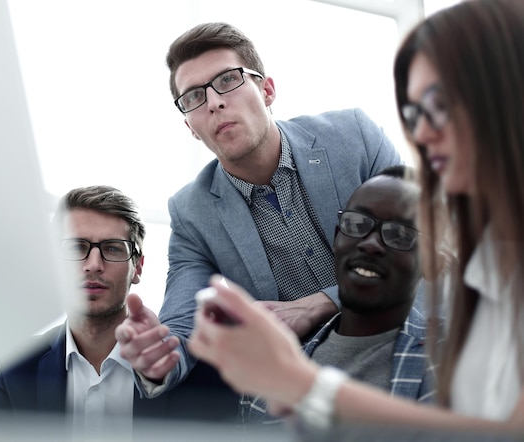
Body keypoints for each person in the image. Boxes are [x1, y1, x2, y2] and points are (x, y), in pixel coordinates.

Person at [187, 0, 524, 438]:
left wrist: (303, 385)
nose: (421, 132)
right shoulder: (486, 270)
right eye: (413, 113)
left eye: (440, 102)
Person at [115, 21, 404, 421]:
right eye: (194, 97)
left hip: (400, 331)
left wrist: (321, 303)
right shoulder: (191, 212)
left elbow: (423, 242)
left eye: (228, 81)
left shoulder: (353, 137)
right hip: (307, 381)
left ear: (267, 90)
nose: (214, 102)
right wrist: (158, 354)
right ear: (191, 128)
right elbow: (181, 318)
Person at [242, 165, 435, 425]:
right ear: (337, 239)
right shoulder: (272, 366)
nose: (370, 243)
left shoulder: (454, 359)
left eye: (399, 235)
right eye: (356, 224)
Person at [0, 185, 163, 441]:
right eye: (77, 247)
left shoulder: (184, 365)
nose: (94, 265)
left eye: (112, 248)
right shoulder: (17, 366)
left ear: (138, 268)